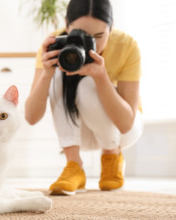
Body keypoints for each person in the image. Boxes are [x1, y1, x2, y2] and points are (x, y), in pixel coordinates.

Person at [25, 0, 143, 195]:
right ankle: (74, 165)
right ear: (67, 26)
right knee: (57, 72)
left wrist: (101, 76)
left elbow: (126, 124)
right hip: (82, 133)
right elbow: (31, 117)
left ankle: (111, 158)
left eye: (99, 36)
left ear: (111, 28)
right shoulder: (54, 44)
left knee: (88, 83)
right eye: (81, 36)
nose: (92, 45)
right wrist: (46, 73)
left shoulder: (127, 45)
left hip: (123, 131)